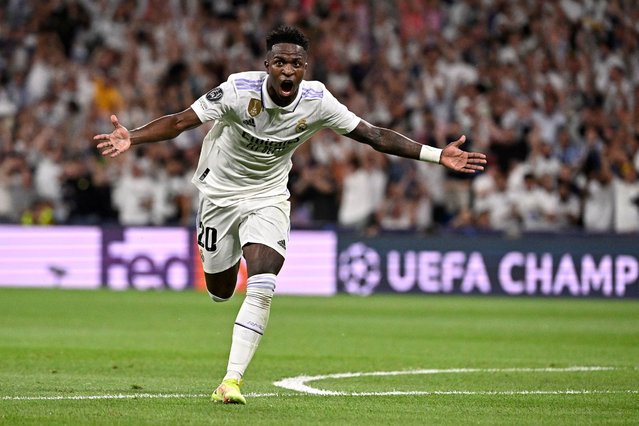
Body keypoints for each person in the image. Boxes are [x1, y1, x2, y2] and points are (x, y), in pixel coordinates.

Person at [94, 26, 487, 405]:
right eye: (280, 62)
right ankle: (224, 295)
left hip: (268, 197)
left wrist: (436, 155)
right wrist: (135, 136)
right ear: (267, 65)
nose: (287, 71)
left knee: (263, 282)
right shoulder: (236, 90)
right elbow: (180, 122)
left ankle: (231, 380)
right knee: (220, 291)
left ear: (304, 69)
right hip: (218, 197)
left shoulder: (317, 101)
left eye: (295, 64)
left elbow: (372, 135)